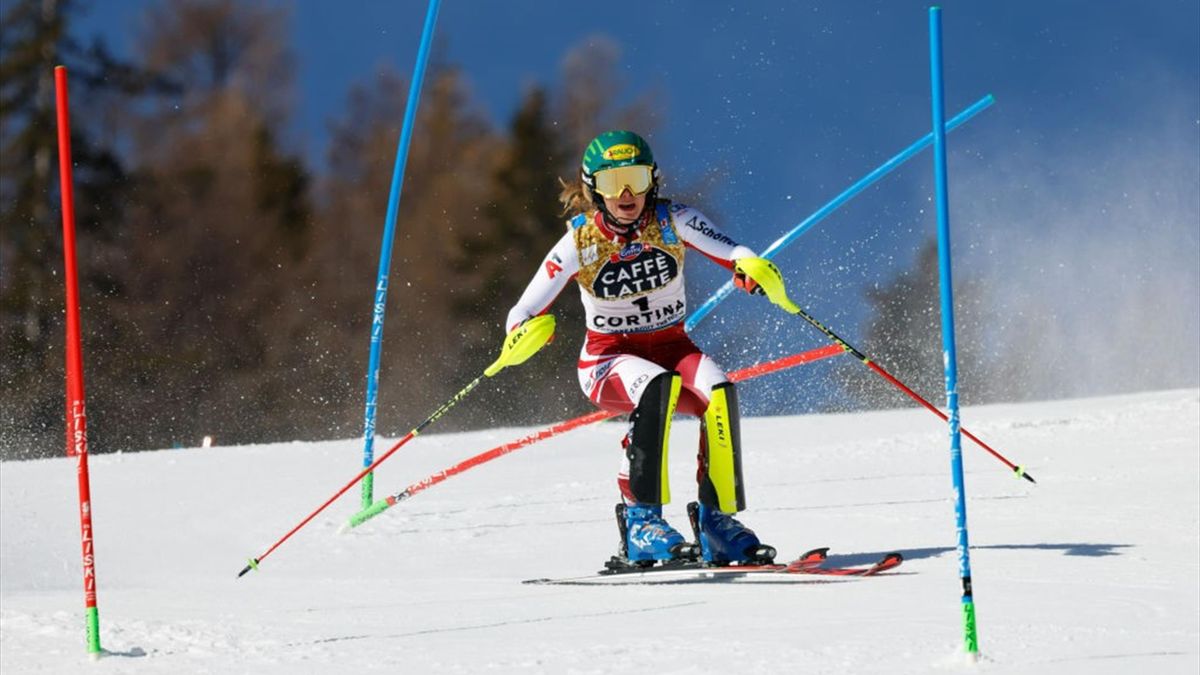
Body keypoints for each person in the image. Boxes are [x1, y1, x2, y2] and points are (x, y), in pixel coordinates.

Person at [503, 130, 786, 567]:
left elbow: (733, 251)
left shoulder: (674, 220)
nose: (627, 193)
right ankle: (641, 523)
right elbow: (523, 308)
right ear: (593, 188)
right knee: (657, 387)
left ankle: (717, 523)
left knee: (720, 392)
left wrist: (749, 267)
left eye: (635, 178)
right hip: (606, 360)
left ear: (652, 178)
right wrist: (522, 332)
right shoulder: (579, 243)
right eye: (614, 183)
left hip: (673, 347)